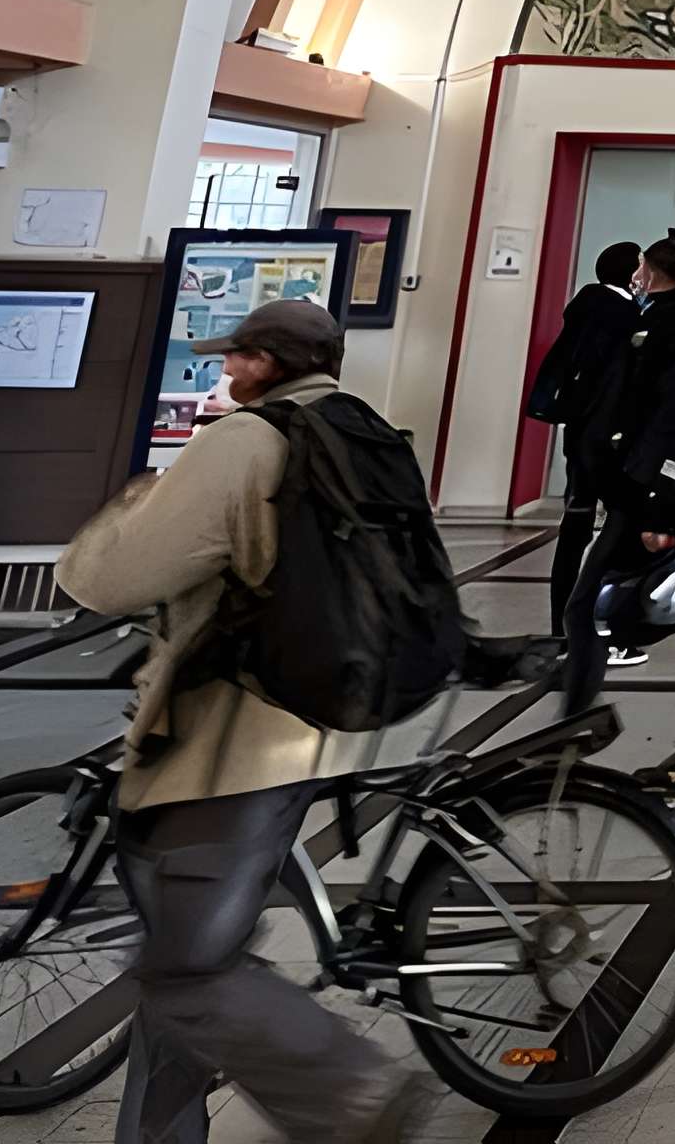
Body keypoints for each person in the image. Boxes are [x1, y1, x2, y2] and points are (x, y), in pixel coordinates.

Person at [56, 300, 419, 1143]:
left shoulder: (245, 441)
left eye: (238, 357)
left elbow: (114, 579)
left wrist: (135, 503)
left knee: (185, 966)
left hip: (239, 735)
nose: (225, 371)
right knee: (184, 948)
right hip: (343, 713)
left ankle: (349, 1090)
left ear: (266, 361)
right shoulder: (364, 429)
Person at [560, 237, 675, 797]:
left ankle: (567, 740)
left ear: (657, 272)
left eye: (644, 264)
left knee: (583, 608)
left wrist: (657, 506)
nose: (637, 273)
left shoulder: (672, 330)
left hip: (655, 498)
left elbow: (668, 420)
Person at [526, 239, 643, 641]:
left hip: (579, 436)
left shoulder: (584, 309)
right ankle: (603, 622)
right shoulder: (624, 317)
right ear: (631, 274)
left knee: (575, 526)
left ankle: (561, 622)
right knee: (620, 531)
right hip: (609, 440)